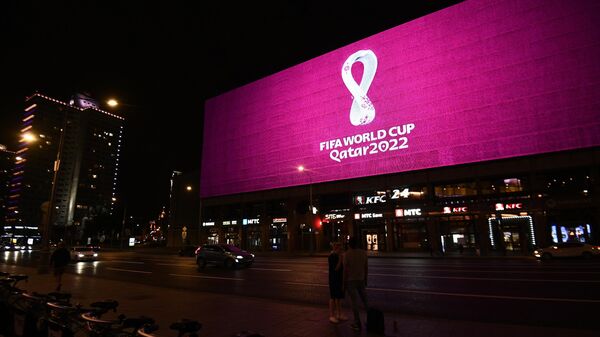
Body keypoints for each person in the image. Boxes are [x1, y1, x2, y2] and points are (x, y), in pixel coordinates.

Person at [343, 236, 368, 331]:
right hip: (361, 279)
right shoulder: (363, 253)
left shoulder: (347, 254)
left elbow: (345, 270)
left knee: (354, 303)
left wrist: (343, 283)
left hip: (351, 281)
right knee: (365, 301)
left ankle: (357, 323)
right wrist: (366, 279)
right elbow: (366, 267)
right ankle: (371, 319)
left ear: (349, 244)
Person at [328, 242, 347, 324]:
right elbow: (335, 269)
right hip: (333, 279)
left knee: (339, 297)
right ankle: (332, 315)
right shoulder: (332, 256)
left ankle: (339, 314)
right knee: (333, 297)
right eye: (340, 248)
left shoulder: (337, 255)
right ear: (336, 248)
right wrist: (340, 259)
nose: (341, 250)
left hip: (339, 279)